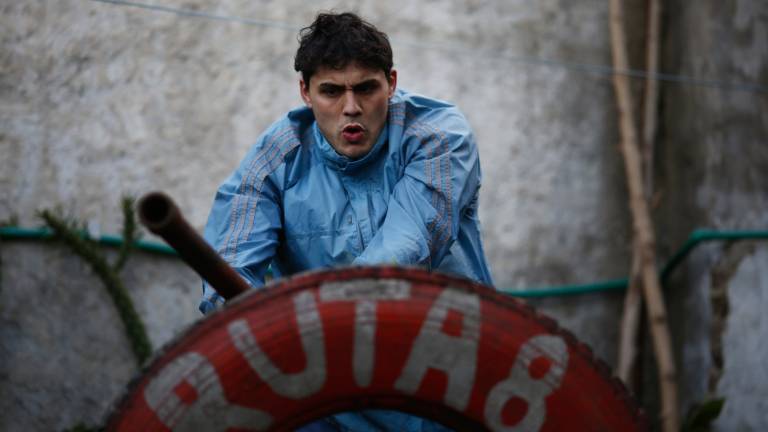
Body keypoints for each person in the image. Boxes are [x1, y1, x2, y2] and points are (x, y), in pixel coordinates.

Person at [200, 11, 493, 431]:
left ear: (391, 83)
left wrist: (302, 324)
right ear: (305, 92)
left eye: (366, 88)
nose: (350, 108)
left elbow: (405, 248)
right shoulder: (275, 160)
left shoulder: (438, 137)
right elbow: (230, 268)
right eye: (332, 91)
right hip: (330, 401)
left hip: (447, 382)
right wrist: (243, 314)